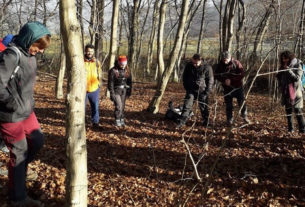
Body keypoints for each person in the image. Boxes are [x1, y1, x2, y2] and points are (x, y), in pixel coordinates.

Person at [0, 21, 51, 207]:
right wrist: (12, 103)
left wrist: (27, 103)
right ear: (29, 40)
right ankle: (18, 198)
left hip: (27, 112)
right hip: (10, 115)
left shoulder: (29, 54)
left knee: (37, 142)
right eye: (38, 46)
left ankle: (17, 173)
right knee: (19, 153)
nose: (41, 51)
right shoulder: (11, 56)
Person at [176, 53, 214, 128]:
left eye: (196, 63)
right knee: (187, 105)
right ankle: (182, 122)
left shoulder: (207, 67)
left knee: (203, 107)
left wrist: (207, 91)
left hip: (202, 91)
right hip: (191, 90)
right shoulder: (189, 65)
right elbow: (185, 77)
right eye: (193, 62)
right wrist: (186, 87)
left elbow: (210, 80)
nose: (194, 64)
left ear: (200, 61)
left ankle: (206, 122)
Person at [214, 51, 251, 126]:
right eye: (223, 60)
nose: (225, 61)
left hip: (238, 87)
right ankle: (229, 120)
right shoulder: (220, 65)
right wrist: (224, 80)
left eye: (226, 60)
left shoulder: (236, 63)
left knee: (242, 102)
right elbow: (216, 75)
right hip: (227, 88)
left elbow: (241, 74)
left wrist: (231, 80)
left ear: (230, 57)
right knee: (229, 105)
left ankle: (244, 116)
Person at [276, 50, 305, 133]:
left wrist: (288, 70)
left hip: (296, 91)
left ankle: (302, 130)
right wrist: (279, 77)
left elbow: (297, 78)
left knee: (298, 111)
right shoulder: (283, 65)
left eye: (286, 59)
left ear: (290, 57)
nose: (284, 60)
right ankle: (290, 129)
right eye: (283, 59)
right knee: (288, 111)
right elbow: (280, 78)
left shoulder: (298, 64)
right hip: (286, 92)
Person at [108, 55, 132, 127]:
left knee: (123, 106)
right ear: (118, 63)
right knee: (118, 106)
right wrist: (111, 93)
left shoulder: (127, 70)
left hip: (124, 91)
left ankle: (122, 119)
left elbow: (130, 82)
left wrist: (129, 91)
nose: (122, 66)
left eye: (124, 64)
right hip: (116, 91)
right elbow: (110, 83)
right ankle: (117, 120)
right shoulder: (113, 70)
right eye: (121, 64)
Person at [84, 44, 102, 128]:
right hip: (83, 89)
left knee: (95, 106)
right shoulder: (81, 61)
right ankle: (82, 123)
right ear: (85, 51)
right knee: (82, 108)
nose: (89, 53)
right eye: (88, 51)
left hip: (94, 88)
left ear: (93, 52)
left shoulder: (96, 62)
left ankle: (95, 123)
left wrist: (99, 84)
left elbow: (99, 74)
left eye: (91, 51)